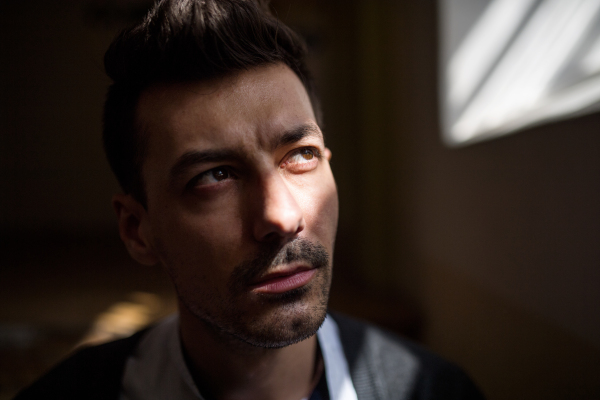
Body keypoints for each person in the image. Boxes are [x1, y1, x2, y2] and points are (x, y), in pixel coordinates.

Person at [16, 0, 485, 399]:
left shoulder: (434, 389)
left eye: (301, 155)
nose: (281, 216)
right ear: (138, 231)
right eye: (214, 176)